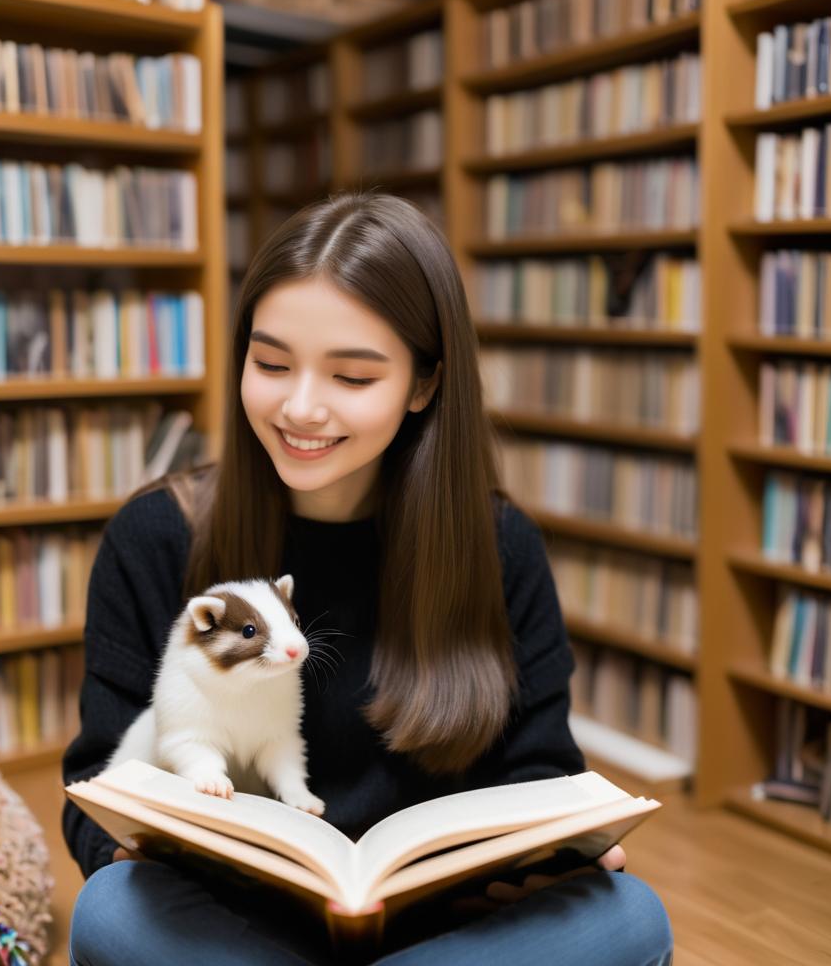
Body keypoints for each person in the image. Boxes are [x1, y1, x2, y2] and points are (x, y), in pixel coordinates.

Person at [63, 192, 674, 965]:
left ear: (423, 386)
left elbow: (542, 768)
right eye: (271, 363)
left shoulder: (498, 545)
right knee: (112, 911)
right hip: (234, 930)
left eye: (351, 377)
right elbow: (97, 778)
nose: (301, 407)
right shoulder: (157, 536)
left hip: (450, 934)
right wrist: (120, 850)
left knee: (630, 916)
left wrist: (559, 861)